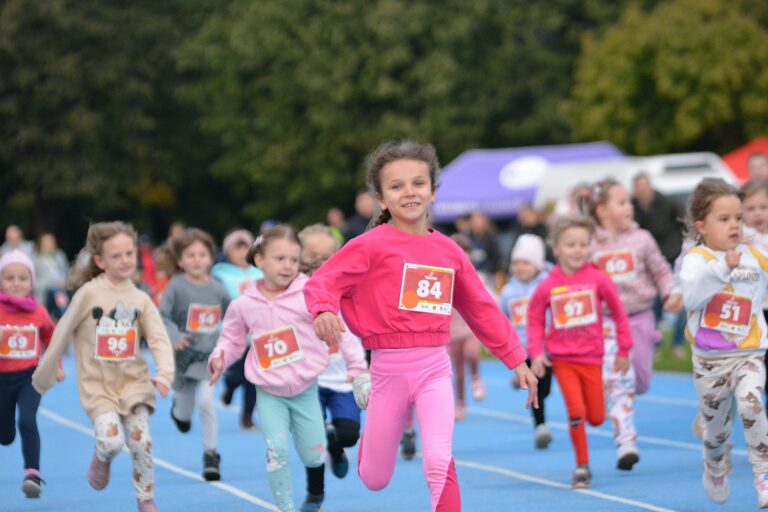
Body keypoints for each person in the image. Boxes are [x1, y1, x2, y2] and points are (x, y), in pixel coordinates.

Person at [304, 139, 537, 511]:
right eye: (396, 186)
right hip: (386, 372)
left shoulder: (449, 251)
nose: (409, 192)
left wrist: (516, 358)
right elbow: (322, 283)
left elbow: (481, 307)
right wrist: (324, 310)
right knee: (374, 478)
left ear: (432, 192)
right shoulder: (369, 245)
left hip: (434, 369)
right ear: (381, 199)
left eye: (418, 183)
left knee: (438, 459)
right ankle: (367, 408)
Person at [209, 225, 366, 512]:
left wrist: (358, 367)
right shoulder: (244, 305)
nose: (288, 266)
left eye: (293, 260)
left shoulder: (311, 292)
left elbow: (340, 329)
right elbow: (231, 339)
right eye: (280, 259)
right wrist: (219, 357)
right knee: (277, 452)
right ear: (259, 260)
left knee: (314, 453)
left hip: (309, 385)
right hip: (270, 391)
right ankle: (288, 506)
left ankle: (326, 451)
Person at [31, 222, 174, 512]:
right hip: (98, 386)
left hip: (134, 383)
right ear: (99, 261)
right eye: (116, 255)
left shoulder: (140, 299)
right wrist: (49, 370)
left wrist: (165, 374)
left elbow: (158, 338)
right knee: (111, 442)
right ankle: (102, 456)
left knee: (141, 441)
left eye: (129, 253)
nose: (124, 260)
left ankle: (145, 498)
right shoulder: (89, 294)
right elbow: (62, 331)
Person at [679, 178, 768, 508]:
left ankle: (763, 475)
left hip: (749, 352)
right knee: (716, 432)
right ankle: (714, 464)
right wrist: (721, 268)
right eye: (724, 219)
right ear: (701, 226)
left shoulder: (754, 256)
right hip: (710, 362)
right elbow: (692, 297)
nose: (735, 225)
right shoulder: (696, 260)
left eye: (739, 218)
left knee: (751, 403)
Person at [527, 215, 632, 489]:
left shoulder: (598, 279)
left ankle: (592, 420)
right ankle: (582, 465)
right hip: (562, 360)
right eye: (570, 244)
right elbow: (535, 319)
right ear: (557, 248)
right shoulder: (547, 285)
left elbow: (620, 314)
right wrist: (536, 353)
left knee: (596, 417)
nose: (577, 250)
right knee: (575, 411)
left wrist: (624, 348)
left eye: (583, 245)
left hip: (592, 358)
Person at [583, 179, 683, 467]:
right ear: (602, 211)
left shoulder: (642, 239)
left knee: (640, 380)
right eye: (622, 202)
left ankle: (613, 391)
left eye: (629, 201)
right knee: (620, 380)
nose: (630, 206)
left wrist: (670, 292)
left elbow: (661, 270)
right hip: (605, 323)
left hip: (640, 317)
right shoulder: (591, 244)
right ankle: (625, 439)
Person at [297, 224, 368, 512]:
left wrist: (358, 368)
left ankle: (337, 447)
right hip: (308, 380)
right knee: (311, 443)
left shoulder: (344, 289)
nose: (319, 262)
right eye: (312, 256)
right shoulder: (294, 292)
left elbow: (351, 333)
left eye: (326, 255)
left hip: (341, 379)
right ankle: (315, 494)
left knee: (350, 434)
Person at [160, 228, 230, 481]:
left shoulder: (218, 288)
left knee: (207, 403)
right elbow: (161, 316)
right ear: (180, 260)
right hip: (182, 357)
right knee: (185, 412)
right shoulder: (176, 286)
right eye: (191, 255)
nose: (197, 259)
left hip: (208, 357)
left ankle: (211, 454)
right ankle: (178, 412)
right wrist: (175, 337)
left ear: (211, 257)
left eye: (202, 254)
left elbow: (234, 315)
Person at [0, 250, 63, 498]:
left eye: (22, 278)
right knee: (4, 437)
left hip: (30, 377)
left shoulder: (38, 312)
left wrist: (55, 365)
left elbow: (51, 337)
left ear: (31, 282)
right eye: (9, 278)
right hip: (1, 379)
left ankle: (32, 475)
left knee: (27, 420)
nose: (16, 283)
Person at [498, 234, 552, 448]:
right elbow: (501, 318)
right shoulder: (509, 292)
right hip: (524, 350)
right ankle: (540, 426)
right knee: (536, 388)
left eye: (526, 263)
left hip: (549, 348)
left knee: (546, 389)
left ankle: (517, 379)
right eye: (517, 263)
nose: (520, 268)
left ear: (537, 264)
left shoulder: (547, 284)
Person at [211, 229, 263, 430]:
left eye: (245, 249)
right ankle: (229, 388)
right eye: (236, 249)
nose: (241, 254)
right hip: (233, 333)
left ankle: (247, 418)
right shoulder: (220, 275)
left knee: (253, 379)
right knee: (236, 375)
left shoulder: (261, 272)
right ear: (228, 251)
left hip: (258, 334)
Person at [448, 233, 486, 421]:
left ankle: (477, 377)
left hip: (470, 327)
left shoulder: (477, 276)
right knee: (458, 370)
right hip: (452, 330)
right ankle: (460, 402)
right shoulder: (443, 277)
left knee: (472, 353)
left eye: (465, 251)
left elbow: (488, 299)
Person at [32, 233, 69, 320]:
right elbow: (33, 281)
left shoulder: (60, 255)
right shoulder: (35, 258)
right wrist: (49, 283)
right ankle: (63, 315)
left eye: (51, 241)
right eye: (46, 242)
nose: (49, 244)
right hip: (44, 291)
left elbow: (66, 272)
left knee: (58, 293)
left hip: (60, 289)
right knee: (55, 292)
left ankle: (63, 316)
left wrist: (63, 282)